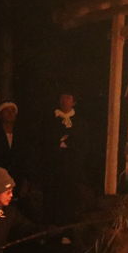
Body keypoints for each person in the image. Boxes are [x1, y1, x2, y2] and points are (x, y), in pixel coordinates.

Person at [43, 92, 86, 234]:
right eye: (61, 97)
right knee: (54, 196)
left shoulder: (79, 121)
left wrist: (68, 142)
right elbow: (48, 139)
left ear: (73, 102)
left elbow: (80, 141)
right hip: (54, 166)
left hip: (72, 166)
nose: (64, 100)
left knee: (70, 196)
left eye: (68, 98)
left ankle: (68, 232)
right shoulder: (51, 119)